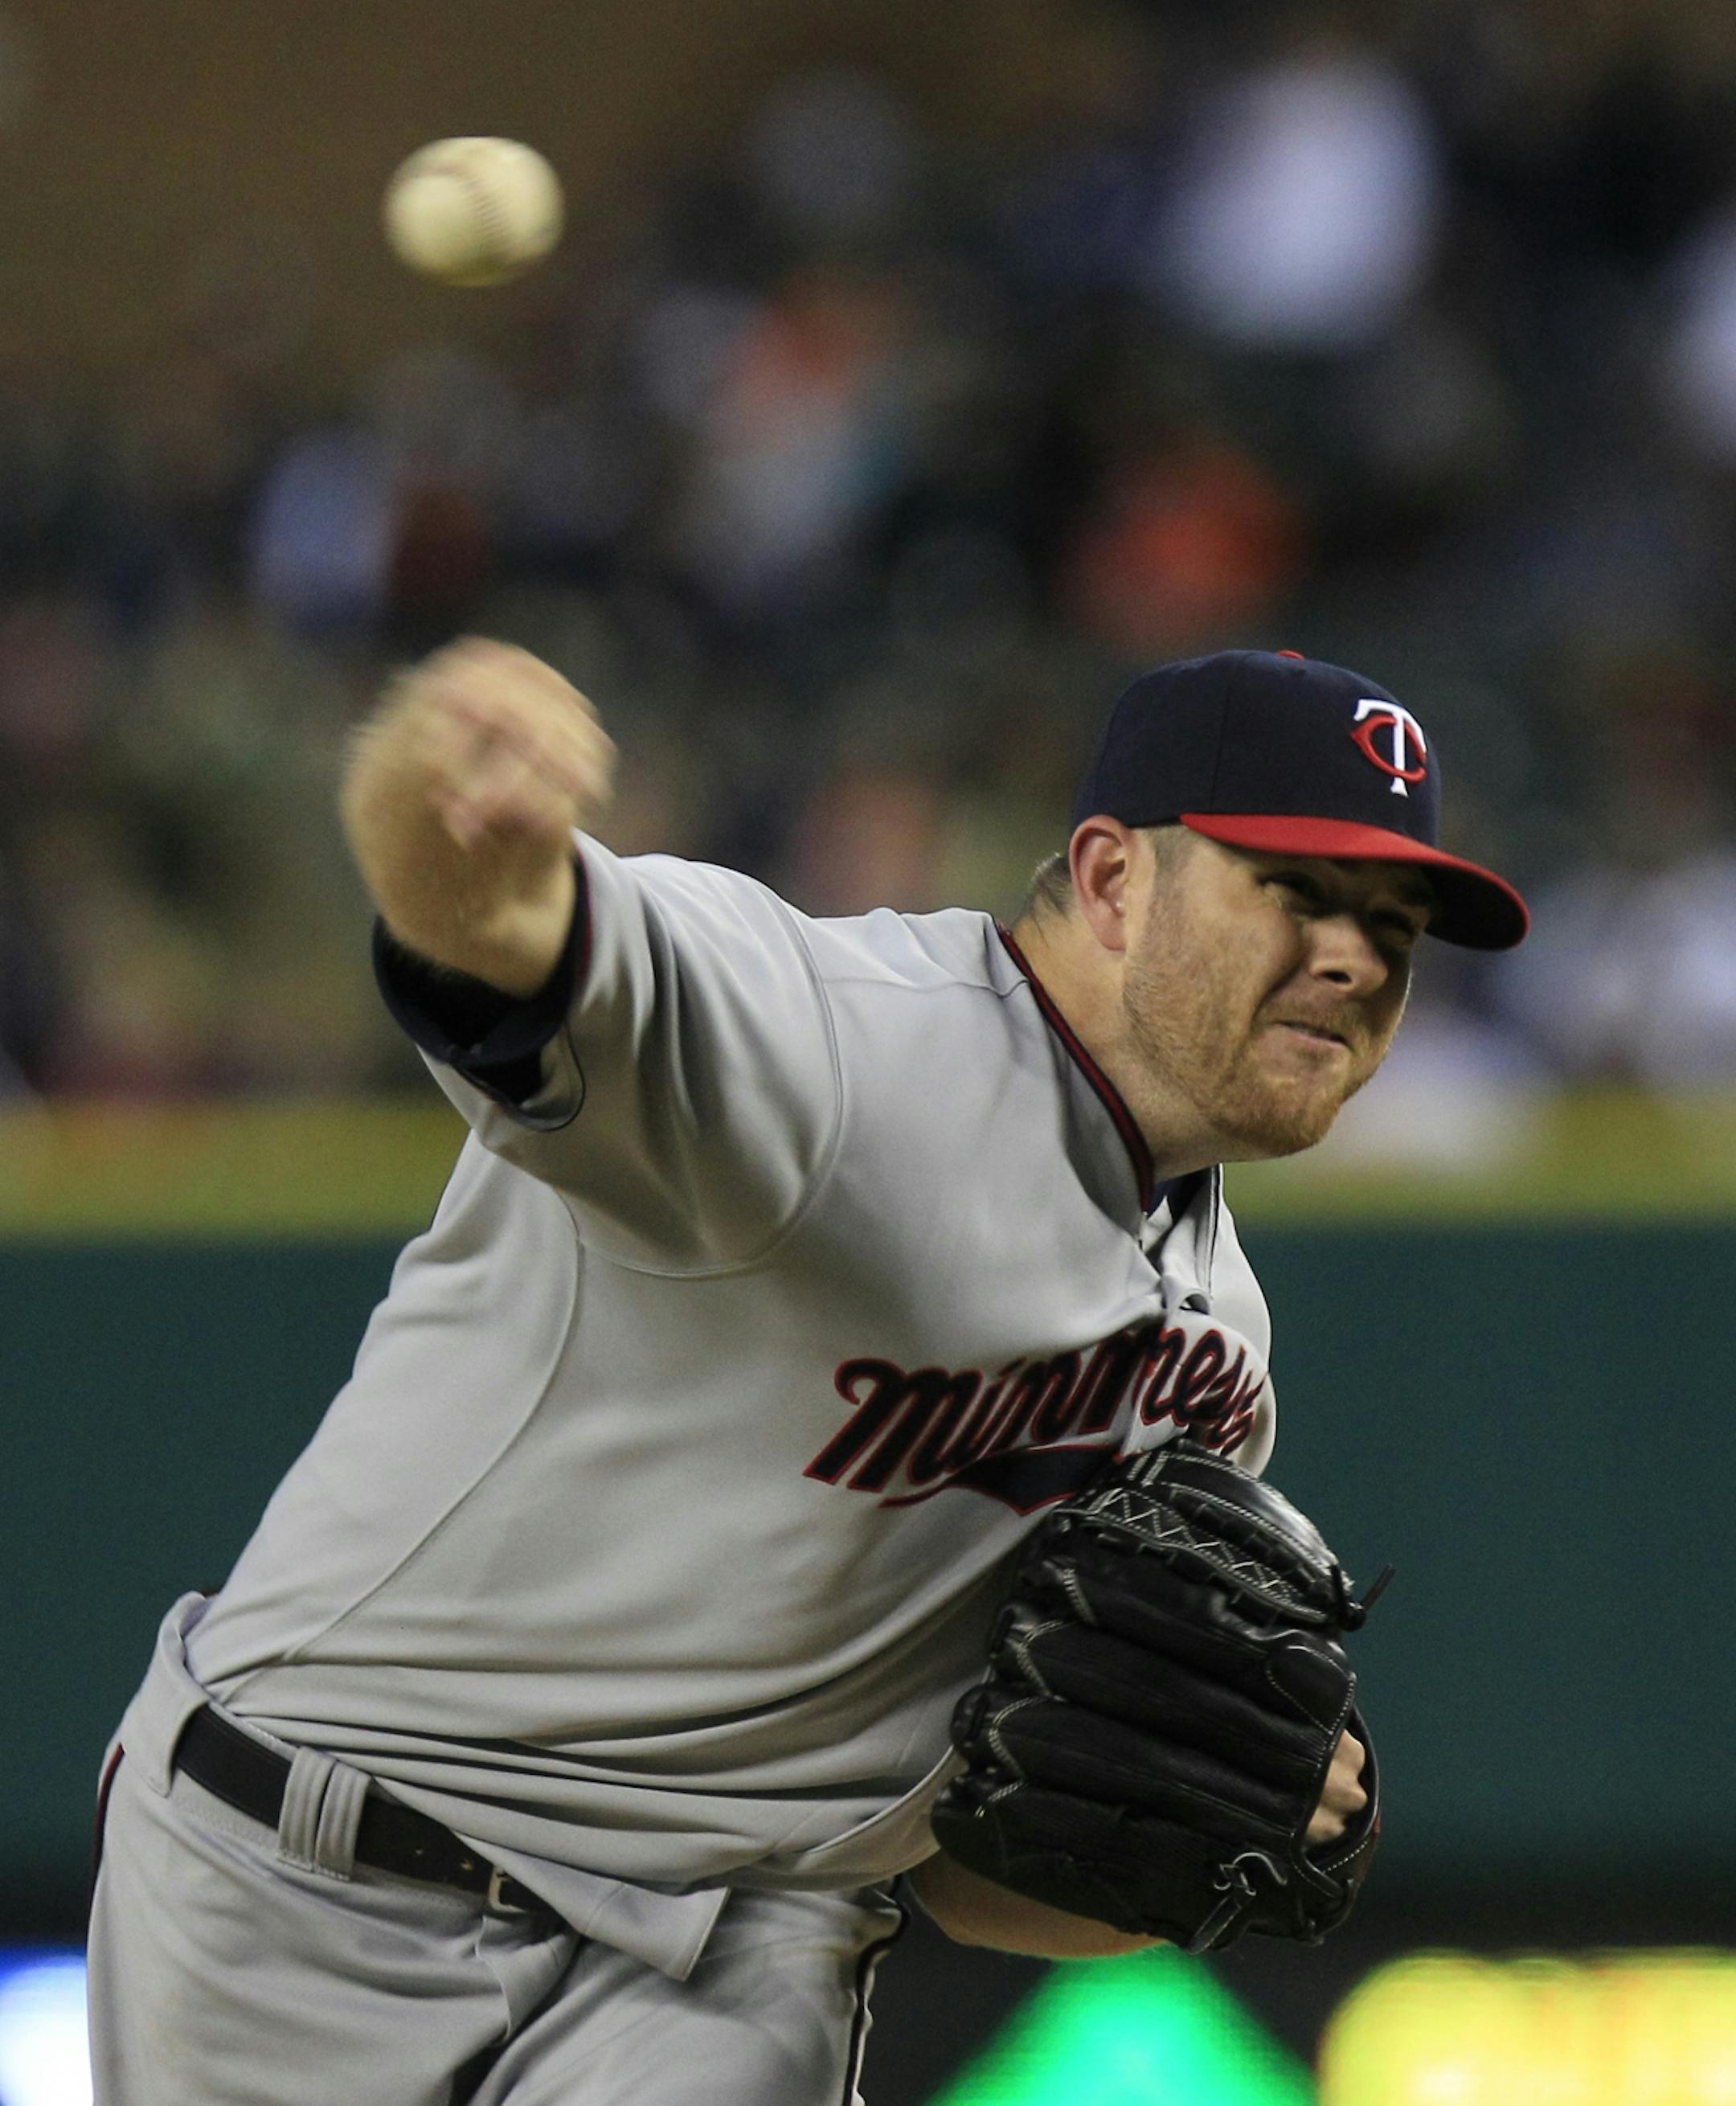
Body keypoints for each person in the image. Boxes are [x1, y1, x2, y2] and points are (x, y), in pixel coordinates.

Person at [86, 641, 1528, 2104]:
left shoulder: (1220, 1358)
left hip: (724, 1963)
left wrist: (1261, 1831)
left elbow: (984, 1862)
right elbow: (497, 932)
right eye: (1296, 892)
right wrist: (442, 797)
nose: (1355, 959)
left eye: (1395, 926)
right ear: (1109, 883)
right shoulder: (828, 1039)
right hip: (307, 1877)